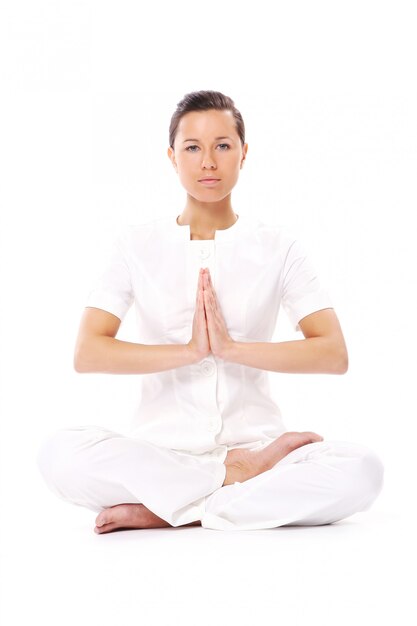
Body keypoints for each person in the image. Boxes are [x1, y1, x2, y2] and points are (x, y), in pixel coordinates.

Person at [36, 90, 384, 534]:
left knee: (362, 470)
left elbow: (333, 354)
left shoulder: (279, 247)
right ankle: (228, 486)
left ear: (243, 153)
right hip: (159, 456)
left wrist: (232, 348)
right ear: (172, 157)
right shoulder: (135, 245)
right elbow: (88, 353)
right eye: (192, 148)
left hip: (258, 446)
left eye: (222, 146)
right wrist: (190, 351)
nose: (208, 162)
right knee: (58, 454)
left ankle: (170, 509)